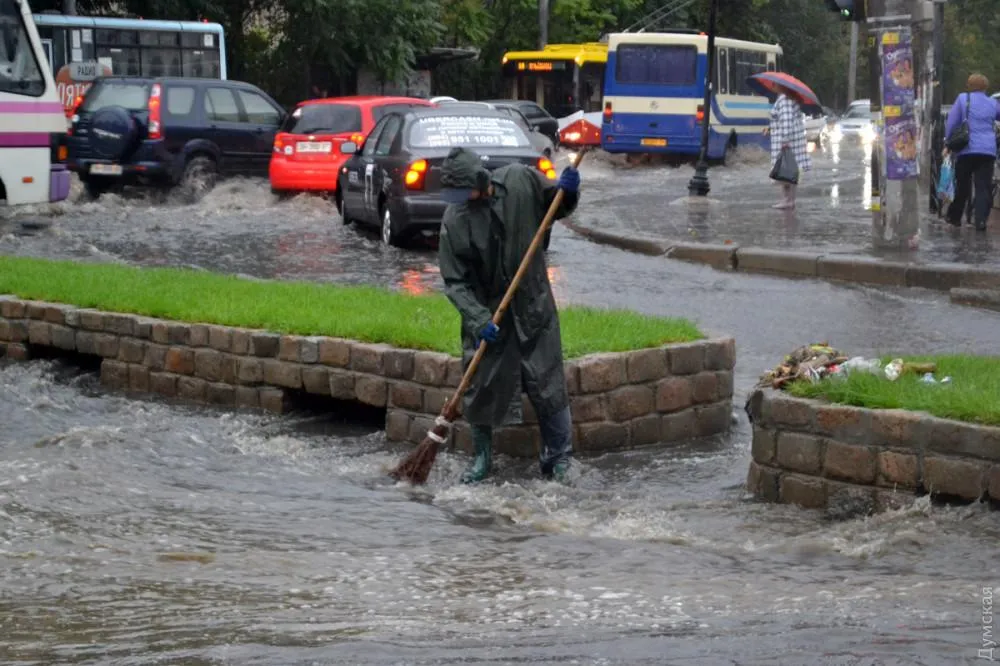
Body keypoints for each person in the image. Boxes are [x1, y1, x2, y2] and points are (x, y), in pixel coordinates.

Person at [437, 147, 580, 484]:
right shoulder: (455, 220)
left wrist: (570, 190)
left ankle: (558, 459)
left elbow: (556, 203)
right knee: (480, 383)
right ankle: (483, 459)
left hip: (533, 305)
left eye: (464, 191)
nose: (460, 199)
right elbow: (455, 282)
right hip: (489, 313)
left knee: (548, 383)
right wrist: (478, 319)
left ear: (479, 179)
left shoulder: (520, 181)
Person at [944, 74, 1000, 230]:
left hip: (966, 149)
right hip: (988, 151)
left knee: (962, 185)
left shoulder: (963, 99)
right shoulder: (992, 103)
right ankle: (980, 221)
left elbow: (952, 122)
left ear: (969, 85)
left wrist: (948, 143)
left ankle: (955, 218)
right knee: (983, 187)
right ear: (985, 86)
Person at [766, 92, 812, 210]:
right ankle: (790, 200)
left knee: (785, 171)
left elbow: (786, 120)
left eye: (774, 84)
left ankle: (787, 200)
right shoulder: (791, 97)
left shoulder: (784, 98)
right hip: (794, 139)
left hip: (786, 141)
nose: (773, 86)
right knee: (790, 171)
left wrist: (785, 140)